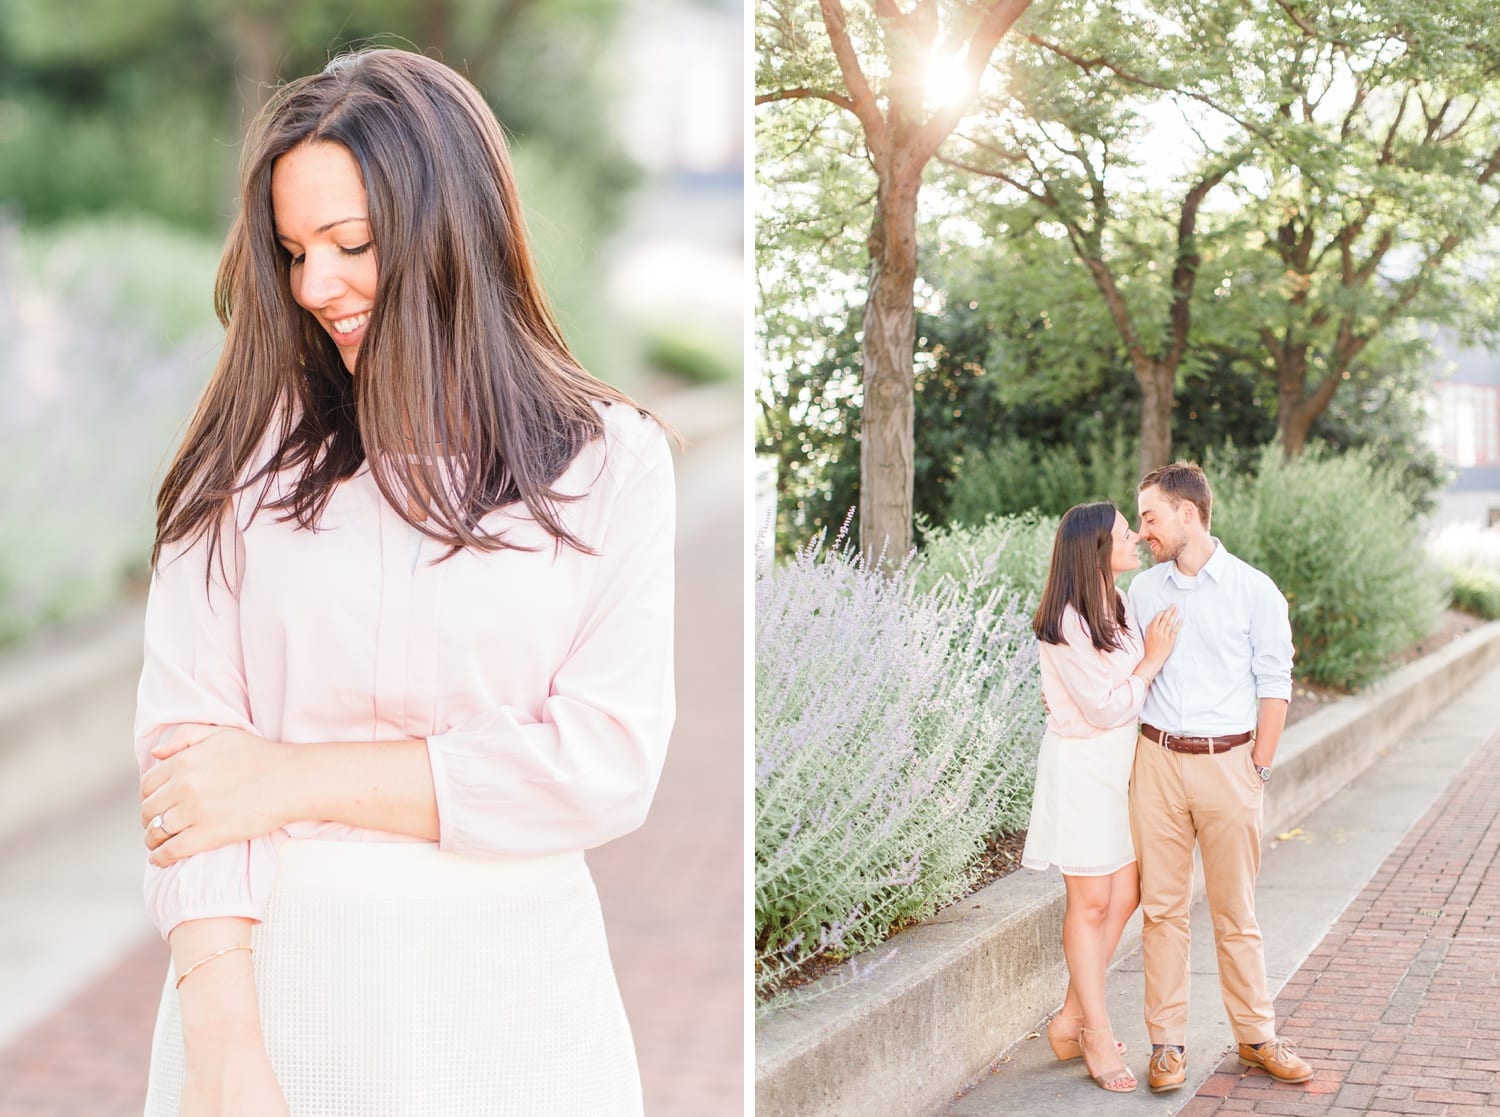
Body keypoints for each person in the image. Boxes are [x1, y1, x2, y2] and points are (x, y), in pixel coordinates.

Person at [133, 48, 675, 1116]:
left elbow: (604, 762)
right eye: (292, 250)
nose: (312, 284)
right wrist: (227, 1052)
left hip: (517, 1012)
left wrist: (287, 778)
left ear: (452, 236)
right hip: (271, 1003)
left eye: (351, 244)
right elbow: (188, 780)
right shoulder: (243, 459)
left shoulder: (610, 462)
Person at [1128, 462, 1313, 1093]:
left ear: (1189, 513)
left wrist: (1257, 764)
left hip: (1230, 764)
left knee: (1236, 911)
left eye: (1150, 516)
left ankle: (1256, 1036)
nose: (1144, 530)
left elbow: (1275, 684)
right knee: (1163, 912)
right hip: (1155, 763)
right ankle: (1167, 1045)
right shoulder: (1143, 593)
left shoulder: (1254, 590)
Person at [1021, 501, 1180, 1094]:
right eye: (1123, 532)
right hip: (1085, 769)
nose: (1135, 537)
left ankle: (1067, 1017)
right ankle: (1094, 1030)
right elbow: (1106, 706)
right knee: (1089, 902)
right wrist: (1151, 663)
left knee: (1130, 889)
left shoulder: (1116, 603)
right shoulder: (1065, 621)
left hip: (1122, 766)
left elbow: (1118, 698)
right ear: (1094, 548)